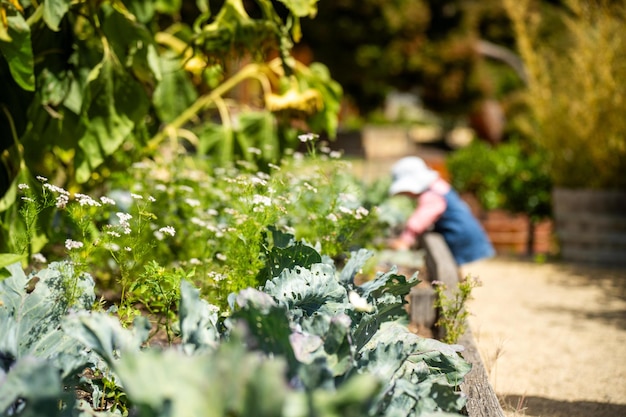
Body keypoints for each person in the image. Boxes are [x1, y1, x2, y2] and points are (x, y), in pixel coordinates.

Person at [388, 156, 494, 266]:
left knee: (470, 274)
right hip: (468, 236)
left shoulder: (432, 194)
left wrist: (406, 239)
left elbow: (421, 218)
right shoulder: (438, 186)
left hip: (463, 240)